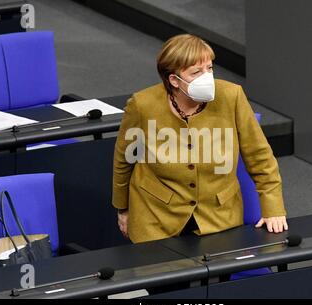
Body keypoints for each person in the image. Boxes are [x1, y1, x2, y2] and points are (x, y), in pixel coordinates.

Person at [113, 34, 287, 244]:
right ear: (174, 80)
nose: (207, 77)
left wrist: (273, 208)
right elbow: (125, 159)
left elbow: (260, 157)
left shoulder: (232, 96)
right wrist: (123, 208)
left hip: (218, 216)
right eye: (196, 72)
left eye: (209, 68)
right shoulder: (142, 105)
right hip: (156, 216)